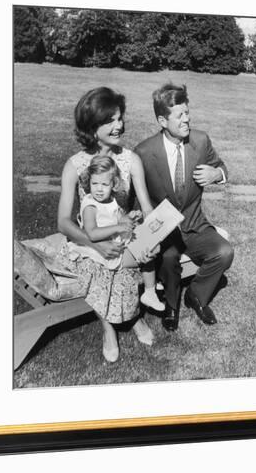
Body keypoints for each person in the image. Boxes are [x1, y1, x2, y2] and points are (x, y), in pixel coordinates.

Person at [57, 87, 159, 362]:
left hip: (123, 232)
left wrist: (150, 240)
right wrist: (95, 244)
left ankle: (132, 316)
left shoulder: (130, 160)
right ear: (92, 126)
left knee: (130, 260)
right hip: (89, 237)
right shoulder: (75, 165)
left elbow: (147, 210)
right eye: (110, 120)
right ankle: (110, 328)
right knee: (101, 268)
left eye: (119, 118)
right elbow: (64, 222)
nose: (119, 125)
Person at [135, 83, 234, 332]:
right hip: (164, 230)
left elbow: (223, 168)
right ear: (162, 120)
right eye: (179, 116)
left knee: (224, 252)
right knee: (169, 258)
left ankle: (196, 296)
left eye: (187, 113)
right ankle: (171, 305)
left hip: (194, 224)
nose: (187, 120)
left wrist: (216, 174)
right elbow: (133, 198)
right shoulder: (144, 152)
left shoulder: (200, 141)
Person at [67, 155, 164, 311]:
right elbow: (91, 233)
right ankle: (150, 290)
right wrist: (117, 228)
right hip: (103, 248)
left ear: (113, 184)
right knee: (146, 253)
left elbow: (120, 219)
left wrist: (130, 217)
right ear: (88, 182)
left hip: (117, 239)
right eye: (95, 183)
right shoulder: (90, 205)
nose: (99, 189)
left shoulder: (111, 200)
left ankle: (150, 284)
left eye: (104, 184)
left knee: (151, 243)